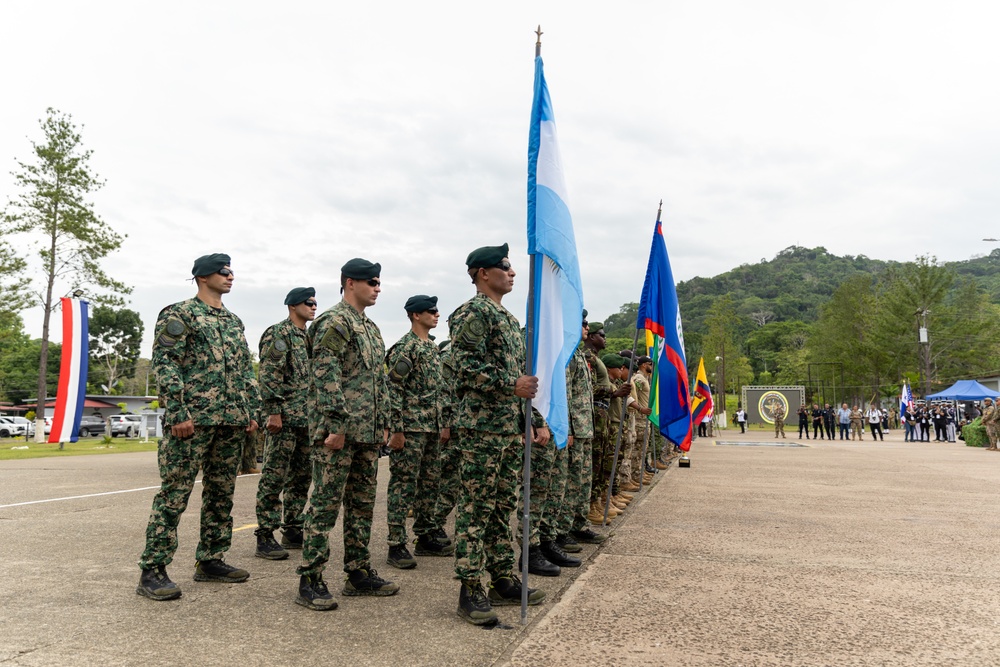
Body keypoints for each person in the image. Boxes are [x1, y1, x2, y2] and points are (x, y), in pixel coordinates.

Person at [137, 253, 260, 601]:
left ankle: (211, 559)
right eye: (224, 271)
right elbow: (166, 363)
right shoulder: (180, 314)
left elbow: (243, 371)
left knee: (222, 494)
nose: (230, 276)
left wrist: (250, 409)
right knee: (175, 494)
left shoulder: (234, 322)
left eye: (232, 271)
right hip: (193, 420)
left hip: (230, 421)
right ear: (203, 276)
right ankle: (153, 569)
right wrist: (176, 411)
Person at [449, 243, 550, 625]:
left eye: (511, 267)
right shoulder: (473, 313)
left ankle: (502, 577)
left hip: (506, 428)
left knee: (502, 507)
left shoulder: (506, 319)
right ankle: (470, 586)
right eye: (504, 267)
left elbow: (522, 382)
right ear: (481, 273)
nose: (511, 272)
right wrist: (511, 384)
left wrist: (528, 418)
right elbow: (462, 366)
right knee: (476, 509)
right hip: (481, 429)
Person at [295, 258, 397, 611]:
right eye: (371, 281)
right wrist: (336, 423)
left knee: (361, 506)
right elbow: (325, 372)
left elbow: (377, 379)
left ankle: (358, 572)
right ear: (350, 283)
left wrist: (385, 421)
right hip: (338, 433)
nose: (377, 287)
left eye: (379, 282)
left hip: (366, 433)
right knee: (324, 505)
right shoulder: (334, 321)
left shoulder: (369, 327)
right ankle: (310, 578)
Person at [384, 294, 454, 569]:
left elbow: (440, 391)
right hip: (411, 429)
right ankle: (396, 543)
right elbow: (394, 389)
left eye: (437, 311)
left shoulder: (432, 349)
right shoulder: (406, 348)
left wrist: (444, 423)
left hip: (431, 428)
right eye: (431, 311)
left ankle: (425, 536)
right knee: (403, 485)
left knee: (429, 485)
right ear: (415, 315)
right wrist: (397, 429)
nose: (436, 315)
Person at [254, 287, 318, 561]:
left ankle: (292, 528)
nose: (314, 307)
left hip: (306, 420)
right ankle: (265, 534)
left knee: (301, 477)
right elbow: (269, 374)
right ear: (293, 306)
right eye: (309, 302)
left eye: (315, 303)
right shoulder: (278, 334)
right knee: (274, 476)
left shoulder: (310, 338)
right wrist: (273, 412)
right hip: (285, 418)